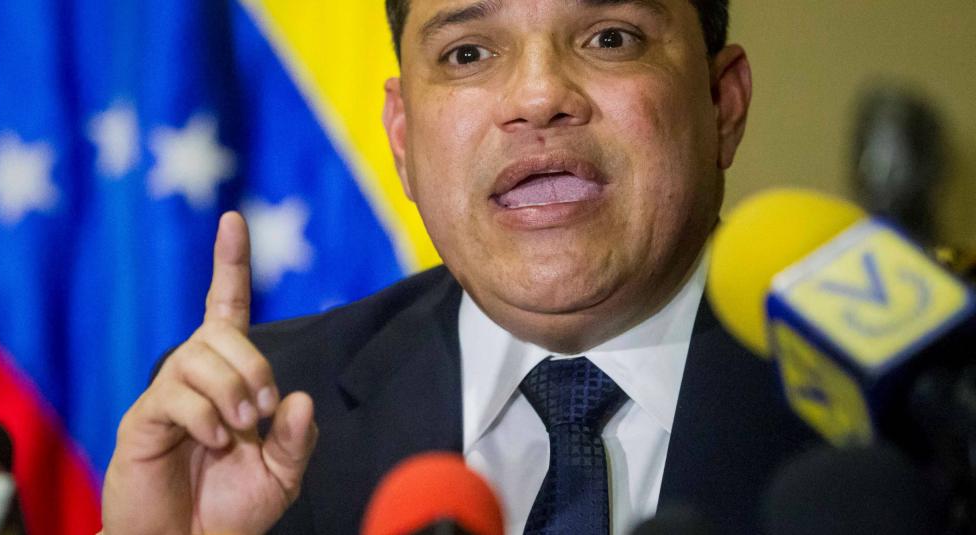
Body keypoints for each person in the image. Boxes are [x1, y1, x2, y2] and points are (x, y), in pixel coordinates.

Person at [101, 1, 820, 534]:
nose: (538, 97)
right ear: (403, 137)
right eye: (467, 53)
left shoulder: (874, 412)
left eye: (610, 38)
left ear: (723, 104)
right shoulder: (249, 423)